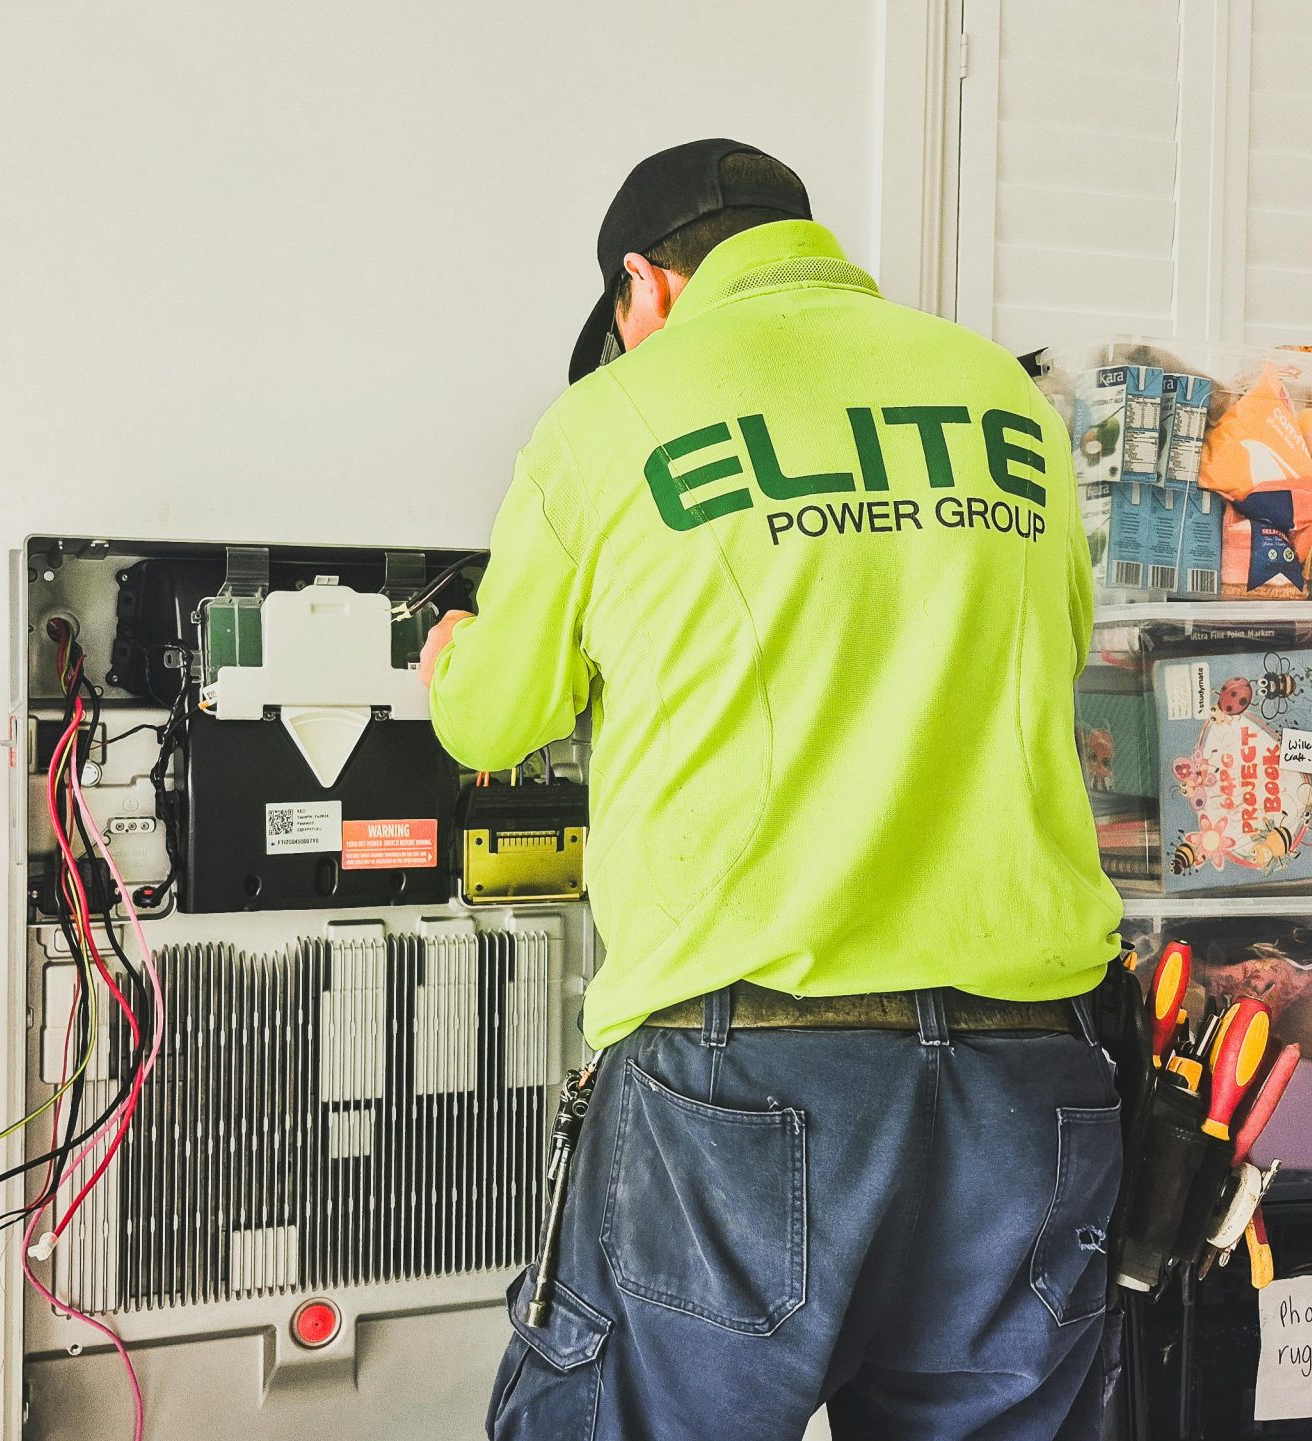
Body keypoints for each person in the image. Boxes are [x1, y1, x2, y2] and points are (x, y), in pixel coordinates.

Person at [420, 139, 1127, 1441]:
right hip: (1030, 1071)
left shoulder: (611, 418)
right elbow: (1060, 646)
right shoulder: (1002, 398)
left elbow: (496, 721)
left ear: (646, 285)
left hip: (744, 1070)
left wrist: (453, 652)